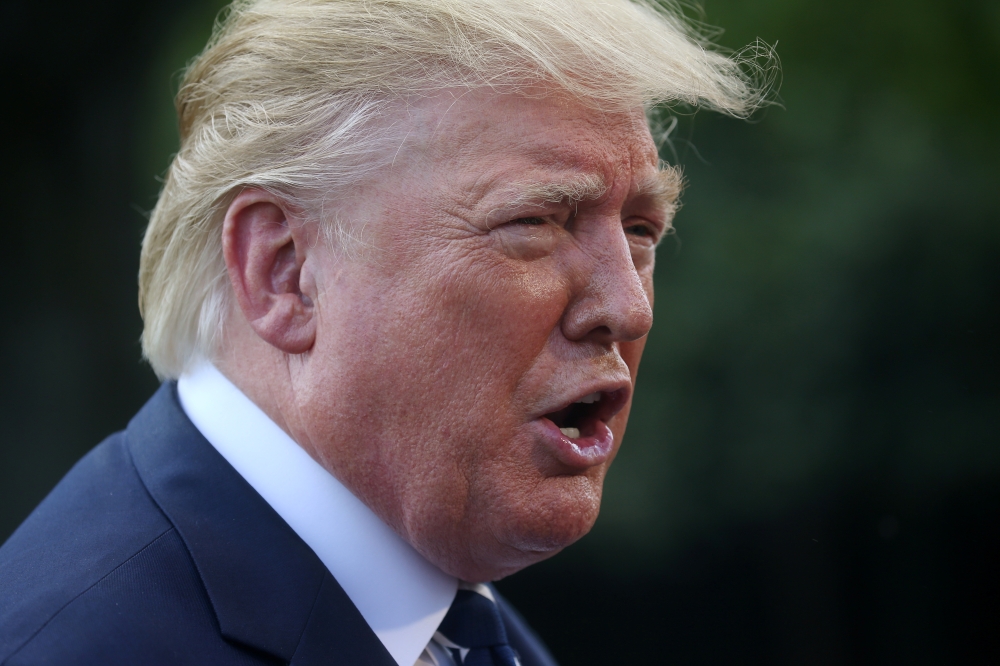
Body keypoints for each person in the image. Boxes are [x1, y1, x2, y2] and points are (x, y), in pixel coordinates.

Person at [0, 0, 765, 663]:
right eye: (535, 222)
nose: (629, 308)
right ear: (285, 272)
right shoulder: (72, 645)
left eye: (641, 230)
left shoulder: (454, 625)